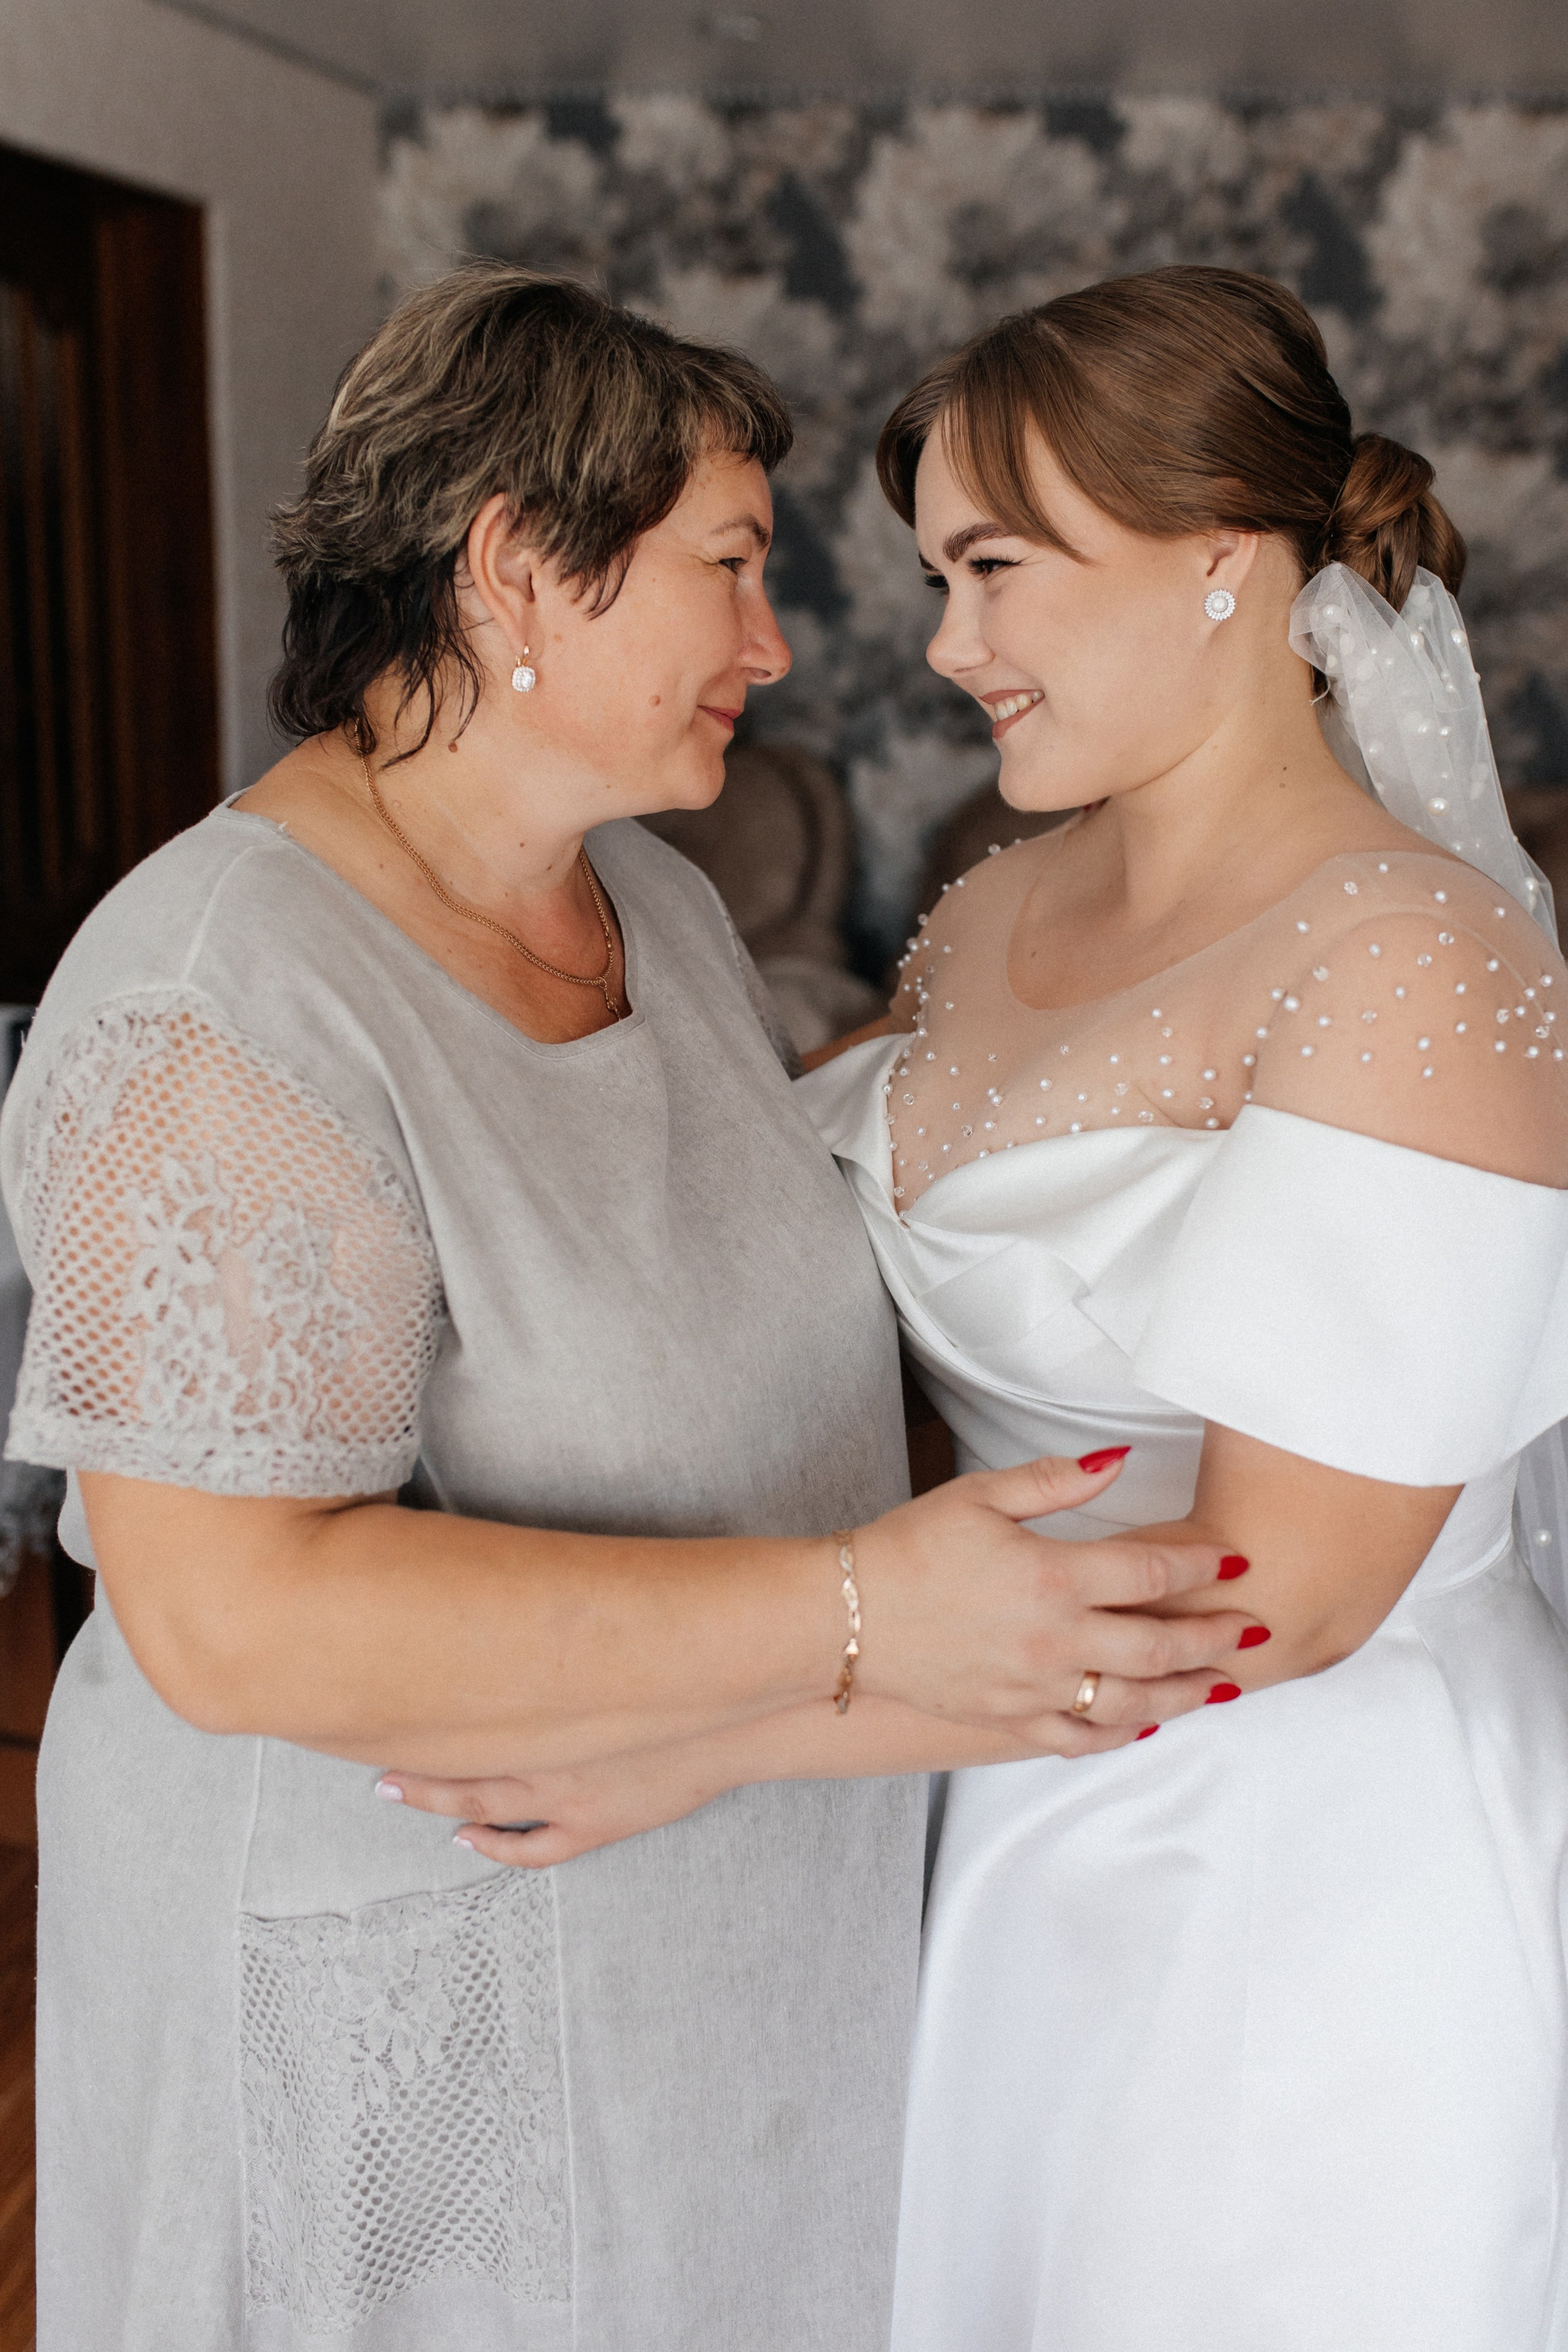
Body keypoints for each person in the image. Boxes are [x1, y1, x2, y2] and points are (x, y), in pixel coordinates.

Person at [0, 266, 1253, 2352]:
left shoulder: (651, 903)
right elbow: (236, 1619)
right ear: (518, 569)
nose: (774, 646)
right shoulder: (218, 1007)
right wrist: (859, 1619)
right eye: (732, 568)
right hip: (418, 2007)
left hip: (738, 1951)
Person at [394, 266, 1568, 2348]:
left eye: (998, 570)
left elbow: (1271, 1597)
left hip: (1291, 1861)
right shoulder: (996, 906)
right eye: (943, 576)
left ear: (1224, 558)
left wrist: (717, 1737)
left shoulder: (1414, 962)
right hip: (1000, 1801)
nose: (949, 649)